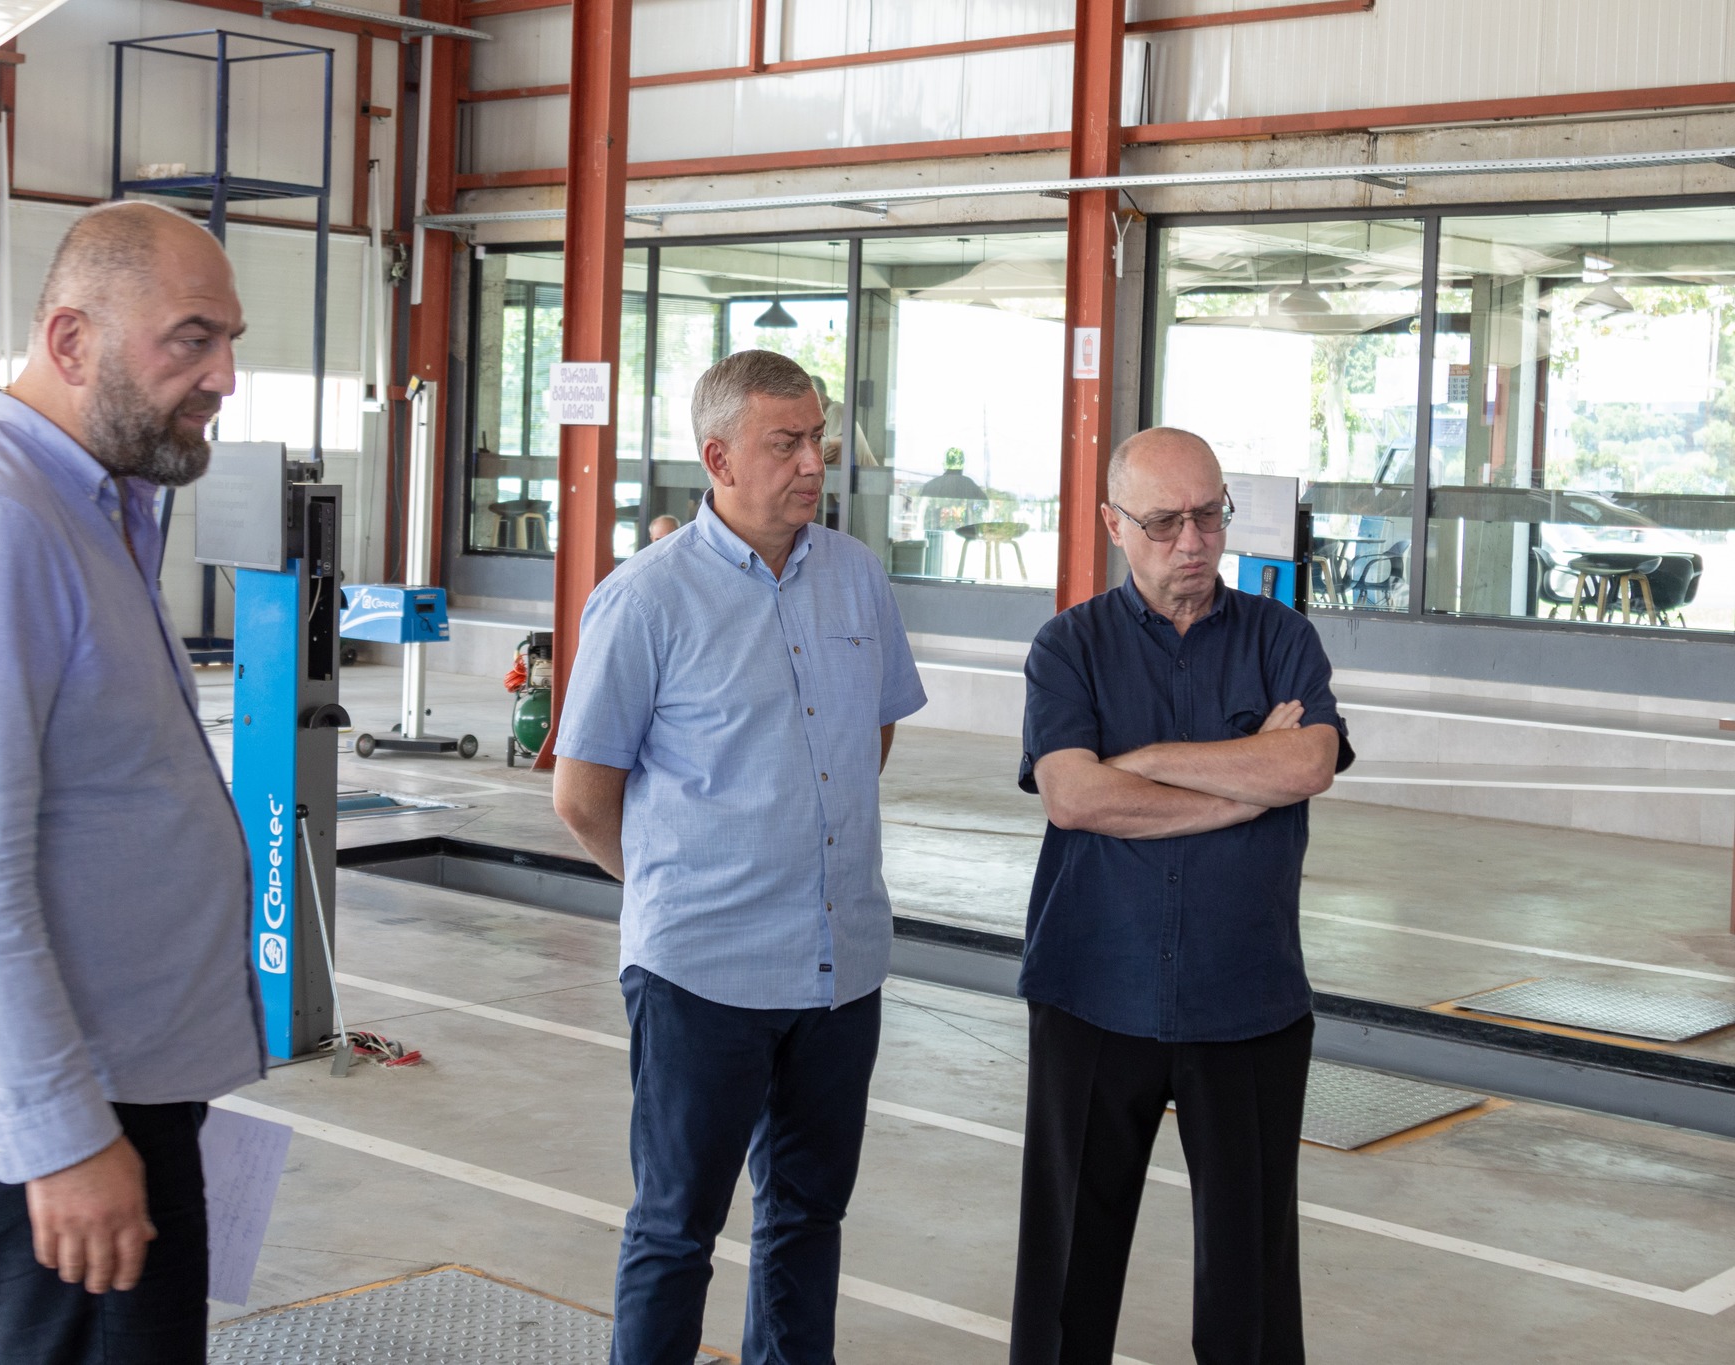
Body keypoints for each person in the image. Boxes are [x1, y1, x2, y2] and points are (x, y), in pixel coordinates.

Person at [0, 201, 263, 1365]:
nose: (223, 376)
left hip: (109, 1088)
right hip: (53, 1109)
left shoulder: (90, 509)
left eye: (228, 341)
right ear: (72, 341)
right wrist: (60, 1134)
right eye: (190, 339)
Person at [553, 349, 926, 1365]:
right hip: (700, 974)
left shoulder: (856, 578)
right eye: (785, 442)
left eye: (818, 440)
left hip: (839, 969)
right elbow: (581, 795)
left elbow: (871, 734)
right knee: (676, 1227)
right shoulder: (647, 599)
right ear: (717, 458)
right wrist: (679, 888)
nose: (812, 463)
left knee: (807, 1216)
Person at [1008, 427, 1352, 1365]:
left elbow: (1309, 762)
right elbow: (1074, 795)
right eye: (1165, 522)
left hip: (1245, 1000)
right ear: (1114, 523)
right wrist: (1242, 785)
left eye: (1208, 515)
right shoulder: (1068, 646)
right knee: (1067, 1273)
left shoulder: (1282, 638)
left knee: (1251, 1287)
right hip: (1093, 990)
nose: (1192, 541)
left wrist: (1147, 762)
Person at [810, 372, 876, 466]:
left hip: (865, 473)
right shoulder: (822, 418)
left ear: (821, 399)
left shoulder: (835, 410)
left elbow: (834, 452)